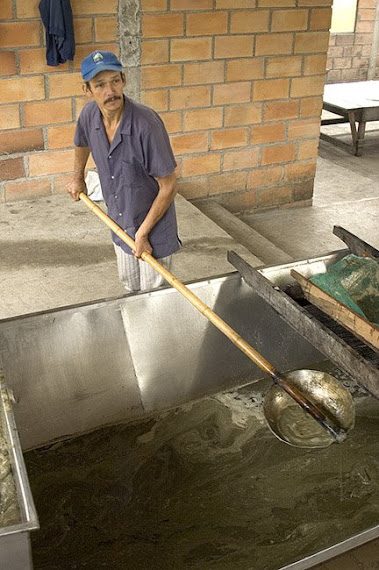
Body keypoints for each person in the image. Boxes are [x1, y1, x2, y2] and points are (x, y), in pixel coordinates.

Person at [67, 50, 180, 293]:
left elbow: (169, 186)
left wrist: (143, 233)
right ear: (87, 90)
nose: (110, 92)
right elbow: (81, 142)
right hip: (120, 220)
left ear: (124, 80)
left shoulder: (146, 125)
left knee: (155, 294)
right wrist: (78, 176)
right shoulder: (89, 116)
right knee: (130, 287)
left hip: (154, 224)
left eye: (115, 81)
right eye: (100, 85)